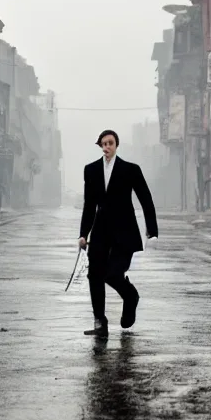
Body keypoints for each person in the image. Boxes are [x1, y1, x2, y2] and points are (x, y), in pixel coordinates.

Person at [78, 129, 158, 338]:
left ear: (116, 145)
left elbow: (145, 199)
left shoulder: (130, 169)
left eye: (110, 143)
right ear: (100, 146)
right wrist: (83, 233)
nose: (107, 147)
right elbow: (89, 205)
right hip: (101, 231)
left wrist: (152, 230)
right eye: (103, 144)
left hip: (125, 231)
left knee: (112, 274)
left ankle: (130, 296)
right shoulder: (91, 170)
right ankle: (100, 323)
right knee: (94, 274)